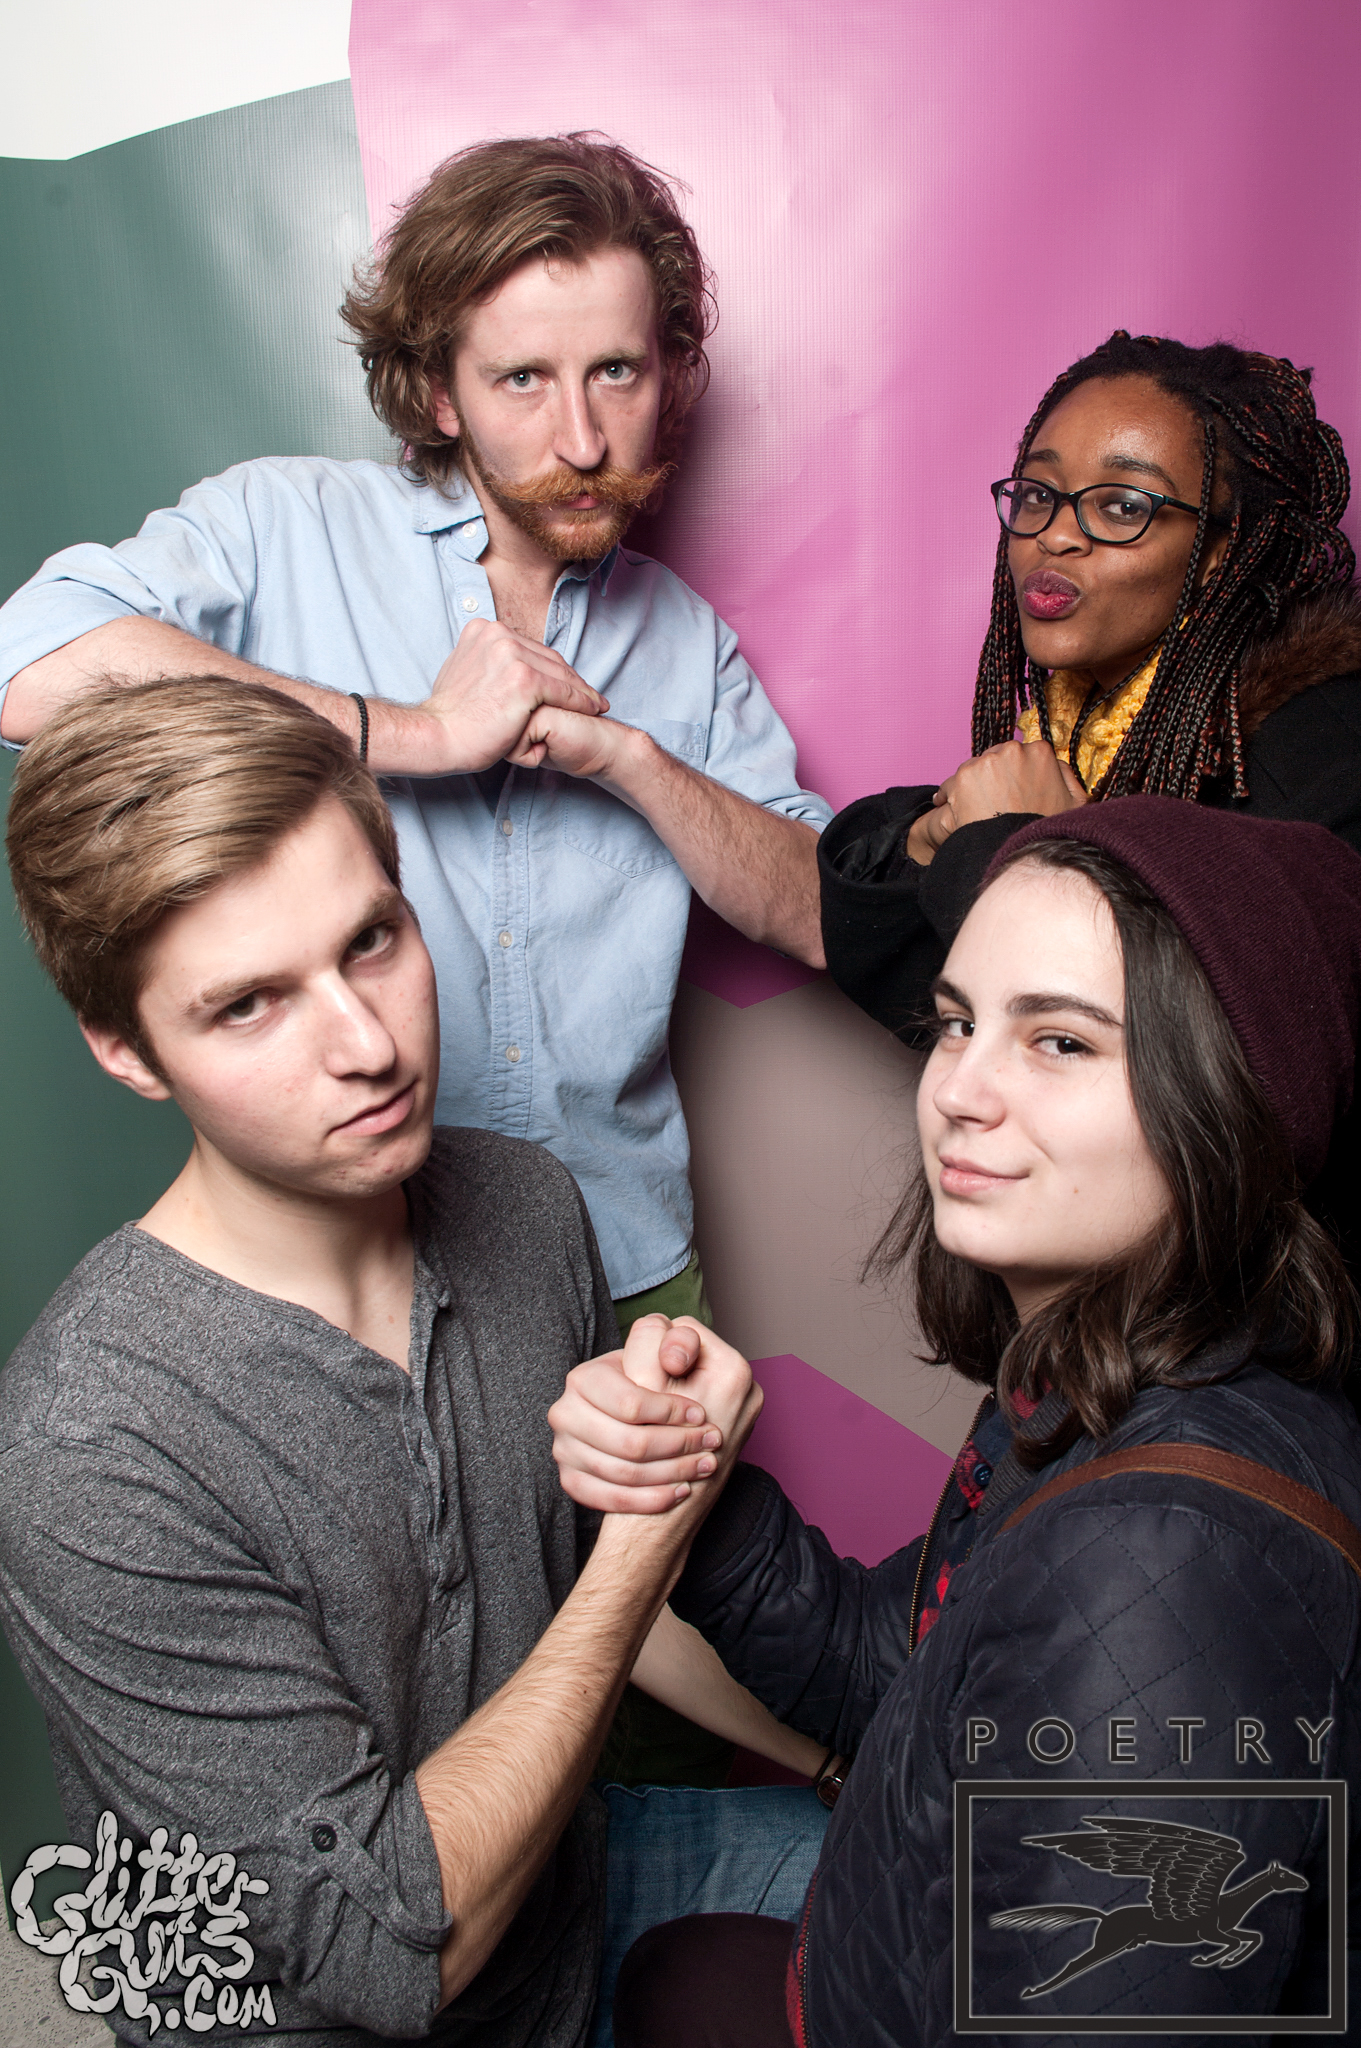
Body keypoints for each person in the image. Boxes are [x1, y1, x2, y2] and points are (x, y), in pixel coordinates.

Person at [0, 678, 829, 2048]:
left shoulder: (523, 1203)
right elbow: (385, 1950)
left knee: (997, 1891)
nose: (369, 1046)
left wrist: (846, 1760)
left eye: (372, 940)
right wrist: (646, 1537)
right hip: (351, 2003)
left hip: (566, 1893)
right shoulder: (93, 1441)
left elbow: (599, 1603)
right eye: (248, 1005)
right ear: (127, 1050)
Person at [550, 797, 1361, 2043]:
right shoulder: (1103, 1372)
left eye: (1061, 1041)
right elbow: (905, 1673)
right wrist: (694, 1479)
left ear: (1227, 1101)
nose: (957, 1092)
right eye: (956, 1022)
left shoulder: (1164, 1557)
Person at [0, 132, 830, 1332]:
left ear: (667, 372)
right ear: (440, 392)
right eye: (521, 379)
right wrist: (416, 733)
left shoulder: (686, 644)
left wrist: (631, 761)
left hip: (628, 1266)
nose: (583, 440)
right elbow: (27, 663)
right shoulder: (284, 528)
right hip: (356, 1284)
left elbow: (823, 910)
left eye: (616, 371)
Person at [818, 332, 1361, 1274]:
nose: (1054, 535)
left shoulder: (1317, 752)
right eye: (1037, 494)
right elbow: (911, 974)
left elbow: (1208, 1069)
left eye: (1121, 505)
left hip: (1258, 1302)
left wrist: (1004, 841)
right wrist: (938, 838)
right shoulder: (1091, 724)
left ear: (1229, 550)